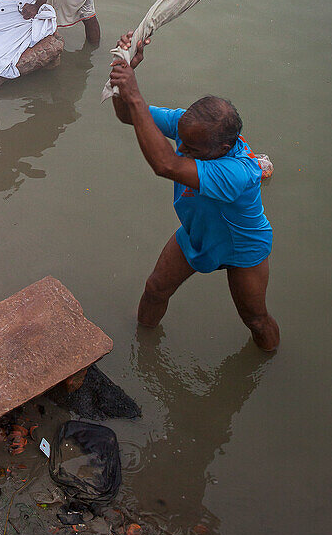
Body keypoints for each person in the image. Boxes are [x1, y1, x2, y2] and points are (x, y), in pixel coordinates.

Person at [110, 31, 279, 351]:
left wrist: (134, 96)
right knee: (155, 288)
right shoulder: (190, 126)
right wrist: (124, 76)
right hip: (197, 232)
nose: (183, 148)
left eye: (192, 148)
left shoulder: (236, 172)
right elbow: (127, 116)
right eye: (181, 140)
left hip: (243, 247)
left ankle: (271, 361)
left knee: (256, 319)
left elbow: (166, 165)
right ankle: (140, 348)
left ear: (224, 148)